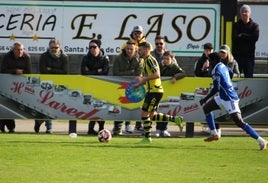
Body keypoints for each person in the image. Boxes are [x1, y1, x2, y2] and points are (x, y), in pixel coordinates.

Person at [199, 52, 267, 150]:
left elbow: (216, 88)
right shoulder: (222, 65)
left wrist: (205, 99)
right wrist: (227, 83)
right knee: (207, 108)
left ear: (214, 61)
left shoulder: (216, 70)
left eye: (210, 60)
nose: (209, 62)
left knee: (239, 122)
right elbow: (230, 72)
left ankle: (261, 140)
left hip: (229, 98)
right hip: (223, 96)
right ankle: (214, 133)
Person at [132, 41, 183, 143]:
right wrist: (140, 83)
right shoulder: (145, 61)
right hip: (153, 91)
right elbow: (149, 78)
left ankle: (147, 137)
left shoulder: (150, 60)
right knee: (151, 115)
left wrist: (143, 79)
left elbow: (157, 74)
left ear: (146, 50)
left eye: (140, 50)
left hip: (155, 91)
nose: (139, 52)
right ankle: (175, 119)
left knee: (144, 114)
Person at [151, 36, 185, 137]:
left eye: (161, 43)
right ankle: (158, 129)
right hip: (156, 87)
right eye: (157, 43)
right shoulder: (152, 54)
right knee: (158, 108)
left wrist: (175, 76)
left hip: (168, 88)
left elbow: (181, 71)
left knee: (167, 107)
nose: (159, 45)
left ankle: (164, 129)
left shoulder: (170, 56)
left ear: (164, 44)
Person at [34, 39, 68, 134]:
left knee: (53, 106)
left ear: (59, 47)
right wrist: (57, 70)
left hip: (59, 85)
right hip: (46, 84)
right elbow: (43, 70)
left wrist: (51, 69)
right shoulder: (44, 56)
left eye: (56, 47)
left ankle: (39, 121)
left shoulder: (64, 57)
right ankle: (48, 126)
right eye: (52, 47)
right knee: (47, 105)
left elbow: (64, 72)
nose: (54, 49)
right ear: (49, 47)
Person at [121, 25, 151, 132]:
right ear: (132, 34)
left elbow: (148, 59)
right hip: (128, 78)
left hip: (142, 78)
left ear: (143, 34)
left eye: (139, 33)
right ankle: (127, 124)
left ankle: (139, 125)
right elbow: (123, 59)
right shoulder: (125, 44)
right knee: (127, 101)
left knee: (140, 102)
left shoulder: (147, 44)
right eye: (135, 33)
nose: (137, 35)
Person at [112, 40, 143, 135]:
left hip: (135, 86)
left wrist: (126, 73)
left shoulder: (140, 59)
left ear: (135, 49)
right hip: (120, 85)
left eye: (131, 49)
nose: (129, 51)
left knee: (135, 105)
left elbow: (138, 72)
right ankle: (118, 127)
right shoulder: (118, 58)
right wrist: (130, 72)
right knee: (119, 104)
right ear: (124, 49)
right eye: (127, 49)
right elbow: (116, 73)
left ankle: (132, 125)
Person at [0, 41, 31, 133]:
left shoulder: (27, 57)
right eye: (18, 50)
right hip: (7, 83)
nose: (20, 51)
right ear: (13, 50)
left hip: (20, 85)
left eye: (21, 49)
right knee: (5, 103)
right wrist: (14, 71)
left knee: (14, 104)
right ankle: (7, 127)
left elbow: (29, 72)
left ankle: (9, 127)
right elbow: (3, 70)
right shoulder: (7, 57)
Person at [81, 39, 109, 135]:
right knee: (92, 108)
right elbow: (84, 72)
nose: (92, 49)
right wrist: (97, 71)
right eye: (90, 47)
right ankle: (90, 128)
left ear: (99, 47)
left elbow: (105, 71)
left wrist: (91, 71)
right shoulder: (85, 58)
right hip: (90, 86)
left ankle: (101, 128)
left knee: (101, 107)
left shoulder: (105, 58)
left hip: (101, 87)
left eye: (94, 47)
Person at [194, 43, 221, 136]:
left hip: (215, 87)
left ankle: (216, 128)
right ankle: (211, 129)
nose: (208, 52)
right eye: (206, 50)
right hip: (204, 88)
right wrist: (204, 68)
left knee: (213, 108)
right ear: (204, 50)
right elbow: (197, 73)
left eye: (210, 50)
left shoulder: (216, 59)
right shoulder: (201, 61)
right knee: (207, 108)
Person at [232, 4, 259, 78]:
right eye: (242, 12)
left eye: (246, 11)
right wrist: (248, 37)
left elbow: (255, 38)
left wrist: (242, 35)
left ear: (249, 13)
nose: (244, 13)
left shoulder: (254, 26)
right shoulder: (236, 25)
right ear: (240, 13)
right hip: (237, 56)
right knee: (236, 77)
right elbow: (234, 38)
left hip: (249, 57)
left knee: (249, 78)